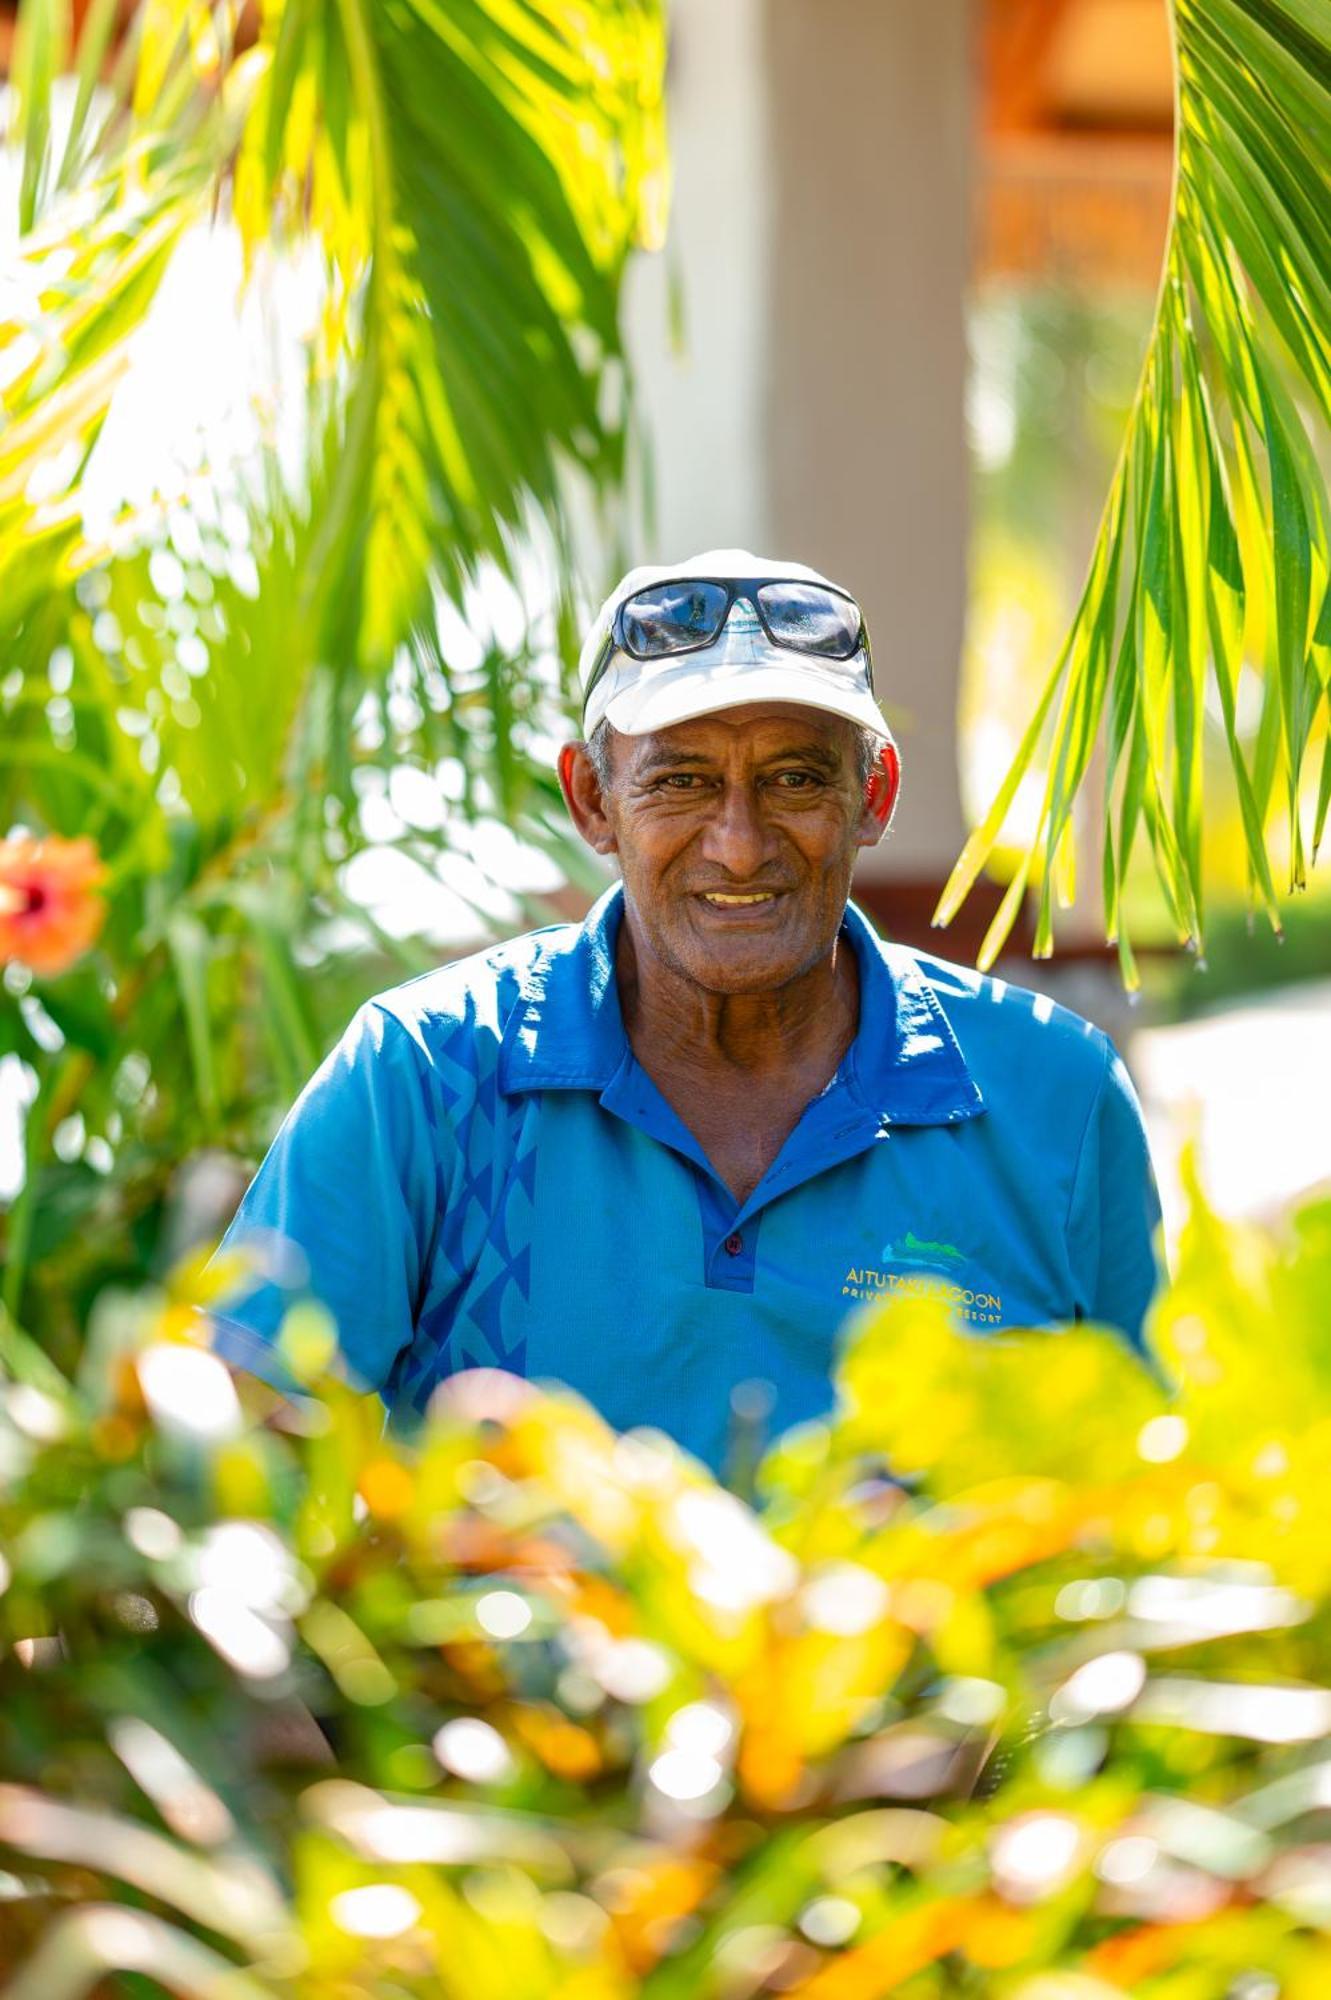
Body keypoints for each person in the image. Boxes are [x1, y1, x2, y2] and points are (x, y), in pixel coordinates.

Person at [209, 549, 1163, 1474]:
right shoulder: (421, 1076)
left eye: (794, 778)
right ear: (592, 800)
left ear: (871, 797)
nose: (740, 847)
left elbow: (1155, 1497)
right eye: (679, 782)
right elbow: (226, 1455)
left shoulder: (1056, 1096)